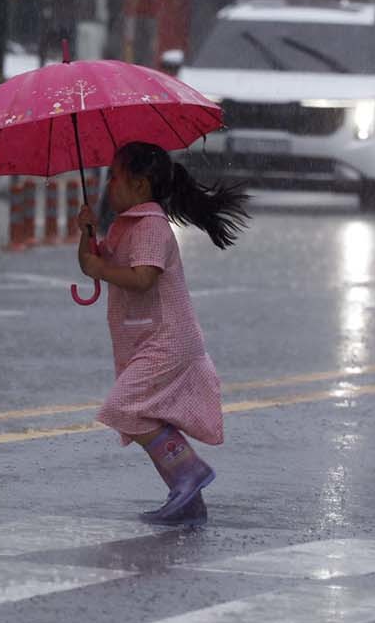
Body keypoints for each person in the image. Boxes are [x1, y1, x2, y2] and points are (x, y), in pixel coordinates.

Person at [76, 142, 250, 526]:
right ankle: (187, 501)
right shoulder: (126, 225)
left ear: (139, 186)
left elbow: (142, 278)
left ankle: (188, 473)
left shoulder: (152, 226)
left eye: (115, 177)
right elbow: (95, 260)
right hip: (150, 337)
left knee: (124, 407)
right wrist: (86, 234)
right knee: (137, 411)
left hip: (168, 338)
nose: (109, 185)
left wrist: (99, 270)